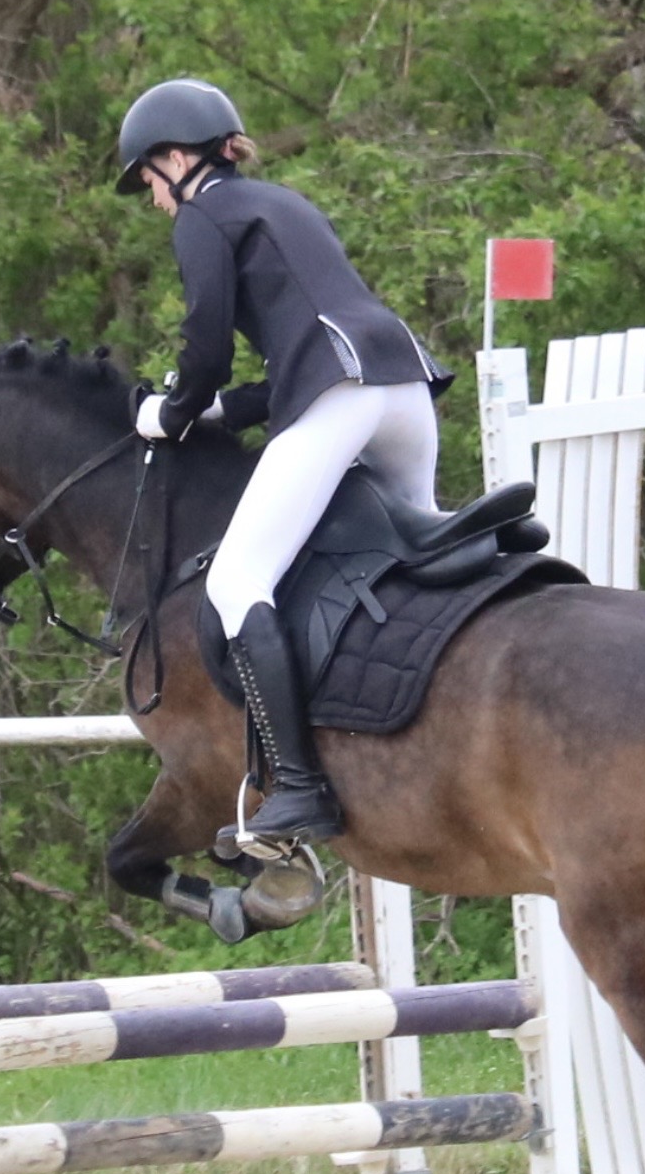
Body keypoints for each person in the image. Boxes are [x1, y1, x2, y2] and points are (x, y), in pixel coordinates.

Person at [116, 76, 453, 850]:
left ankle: (300, 786)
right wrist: (216, 411)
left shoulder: (203, 215)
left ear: (175, 157)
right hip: (401, 389)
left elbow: (204, 343)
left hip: (340, 397)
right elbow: (294, 348)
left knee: (238, 582)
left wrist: (169, 414)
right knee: (410, 553)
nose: (154, 199)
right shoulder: (285, 204)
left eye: (149, 180)